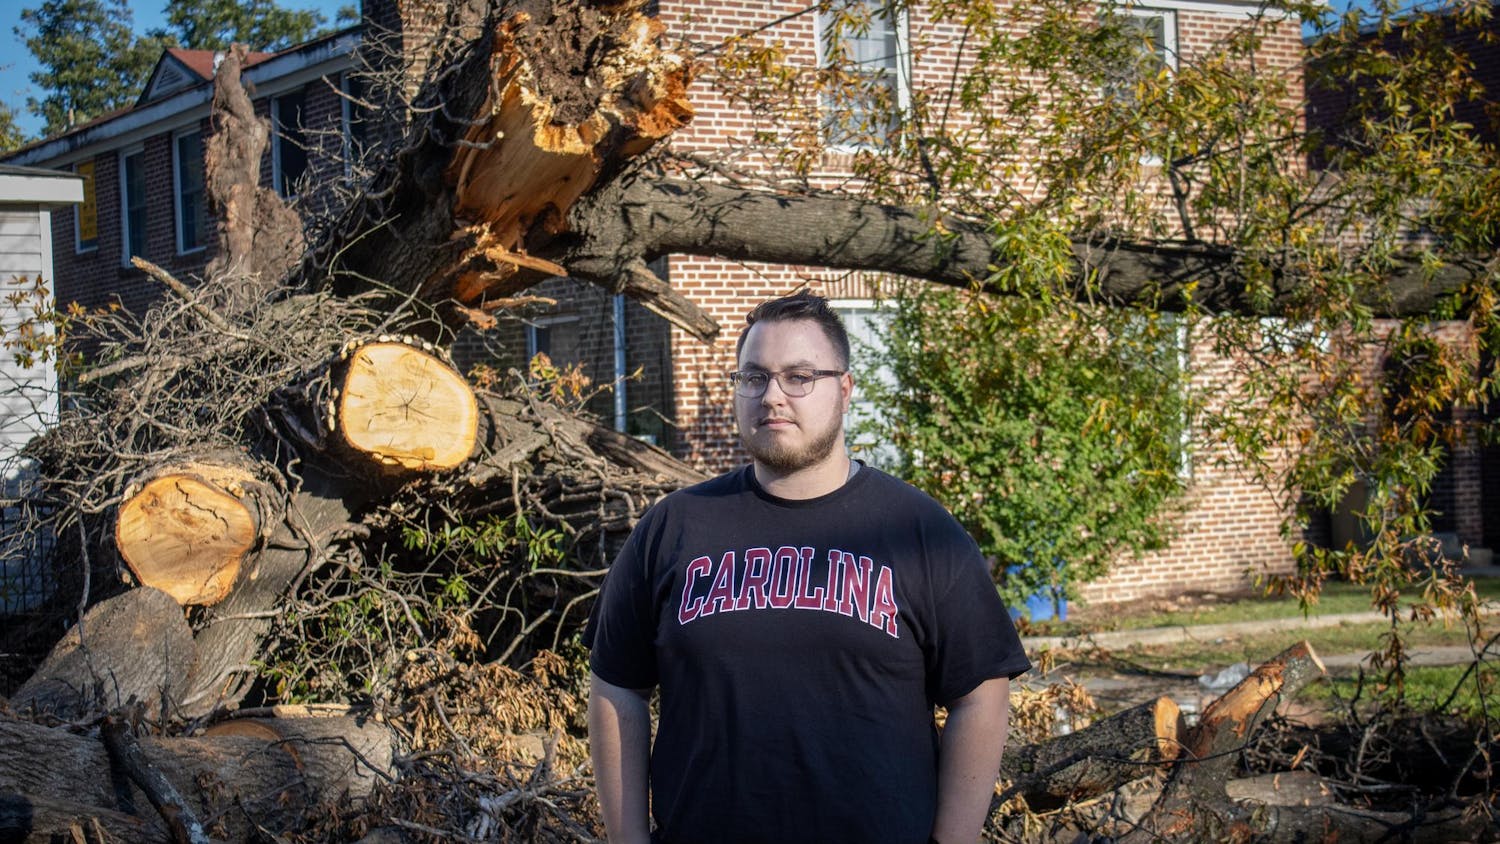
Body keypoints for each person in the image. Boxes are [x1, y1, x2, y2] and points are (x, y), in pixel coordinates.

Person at [586, 291, 1030, 844]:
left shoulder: (921, 534)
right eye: (753, 377)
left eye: (799, 376)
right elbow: (616, 687)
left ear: (844, 389)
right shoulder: (674, 529)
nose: (772, 396)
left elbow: (980, 693)